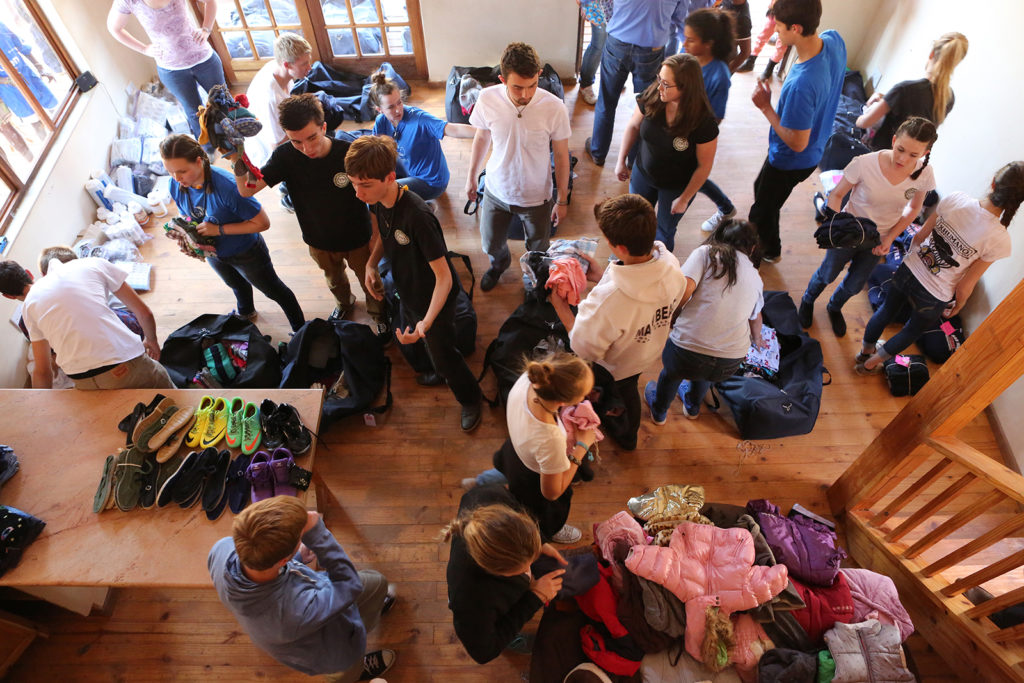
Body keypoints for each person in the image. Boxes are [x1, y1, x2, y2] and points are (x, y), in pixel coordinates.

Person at [346, 135, 484, 432]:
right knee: (430, 351)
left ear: (390, 177)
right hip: (409, 291)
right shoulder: (380, 199)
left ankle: (471, 398)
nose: (358, 193)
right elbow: (385, 234)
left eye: (365, 185)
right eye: (354, 183)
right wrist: (371, 264)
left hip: (435, 300)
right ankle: (438, 367)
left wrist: (427, 322)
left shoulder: (418, 216)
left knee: (446, 356)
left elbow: (445, 277)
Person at [856, 162, 1023, 375]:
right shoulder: (1001, 240)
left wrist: (912, 261)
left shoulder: (956, 199)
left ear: (993, 183)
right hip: (935, 295)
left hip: (909, 269)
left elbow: (919, 236)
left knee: (886, 311)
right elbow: (966, 284)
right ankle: (869, 365)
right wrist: (959, 305)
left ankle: (865, 351)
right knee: (911, 331)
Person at [208, 496, 397, 682]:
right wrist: (318, 535)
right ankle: (355, 672)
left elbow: (263, 569)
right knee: (345, 663)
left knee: (376, 584)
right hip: (325, 649)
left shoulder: (222, 549)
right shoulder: (296, 611)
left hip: (289, 616)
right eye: (302, 534)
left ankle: (363, 618)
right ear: (282, 560)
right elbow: (349, 585)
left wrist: (296, 558)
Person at [550, 194, 686, 450]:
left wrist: (560, 307)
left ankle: (627, 437)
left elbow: (582, 346)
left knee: (623, 391)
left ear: (620, 248)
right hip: (649, 349)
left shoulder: (607, 302)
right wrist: (604, 274)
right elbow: (642, 288)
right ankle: (623, 428)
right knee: (628, 384)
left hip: (617, 364)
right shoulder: (670, 263)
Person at [234, 94, 381, 329]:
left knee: (371, 282)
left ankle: (379, 314)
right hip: (318, 239)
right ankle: (345, 304)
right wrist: (236, 155)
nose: (306, 148)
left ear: (324, 127)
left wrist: (375, 236)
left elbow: (374, 198)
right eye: (296, 141)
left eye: (312, 137)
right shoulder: (284, 157)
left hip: (358, 237)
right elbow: (247, 190)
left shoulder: (349, 153)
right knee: (335, 281)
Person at [798, 117, 937, 337]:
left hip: (879, 239)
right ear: (893, 140)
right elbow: (837, 194)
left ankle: (834, 307)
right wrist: (834, 224)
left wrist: (890, 238)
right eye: (900, 149)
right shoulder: (864, 163)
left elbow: (913, 209)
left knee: (854, 285)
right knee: (827, 274)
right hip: (849, 231)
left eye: (913, 154)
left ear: (925, 152)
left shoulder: (925, 173)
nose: (903, 158)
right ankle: (808, 299)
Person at [160, 134, 305, 332]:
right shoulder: (176, 185)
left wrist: (218, 230)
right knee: (235, 284)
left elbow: (263, 223)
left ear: (199, 161)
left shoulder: (228, 187)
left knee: (274, 290)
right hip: (215, 252)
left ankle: (301, 329)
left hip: (246, 252)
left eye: (182, 171)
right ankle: (246, 313)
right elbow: (188, 216)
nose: (177, 179)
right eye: (170, 172)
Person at [465, 42, 571, 292]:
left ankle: (533, 280)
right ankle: (499, 265)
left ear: (539, 76)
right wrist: (471, 177)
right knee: (490, 243)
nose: (526, 94)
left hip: (537, 196)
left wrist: (563, 199)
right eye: (517, 87)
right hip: (496, 189)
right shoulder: (487, 98)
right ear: (502, 79)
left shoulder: (554, 107)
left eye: (532, 85)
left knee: (538, 248)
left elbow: (562, 154)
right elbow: (482, 137)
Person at [747, 0, 846, 264]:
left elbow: (797, 142)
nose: (776, 33)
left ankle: (768, 251)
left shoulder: (804, 84)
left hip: (792, 159)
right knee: (763, 192)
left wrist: (766, 107)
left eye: (779, 28)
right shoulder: (833, 39)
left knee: (763, 209)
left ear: (796, 28)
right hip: (816, 148)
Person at [644, 219, 765, 423]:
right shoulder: (756, 276)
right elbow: (756, 318)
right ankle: (692, 408)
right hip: (730, 360)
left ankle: (659, 411)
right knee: (706, 375)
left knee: (672, 374)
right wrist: (757, 340)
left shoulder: (707, 253)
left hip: (687, 351)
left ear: (718, 237)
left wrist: (673, 317)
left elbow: (684, 288)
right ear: (752, 248)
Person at [0, 249, 173, 390]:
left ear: (7, 296)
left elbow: (42, 371)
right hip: (121, 363)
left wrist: (42, 409)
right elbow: (144, 313)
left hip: (82, 381)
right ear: (29, 273)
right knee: (167, 391)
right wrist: (152, 341)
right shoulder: (93, 263)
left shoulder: (28, 307)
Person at [444, 484, 567, 663]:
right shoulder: (471, 598)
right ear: (495, 571)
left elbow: (515, 507)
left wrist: (539, 542)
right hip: (484, 614)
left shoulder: (488, 495)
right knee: (498, 632)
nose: (529, 571)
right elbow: (483, 652)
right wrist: (536, 597)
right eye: (524, 569)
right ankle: (510, 641)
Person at [613, 53, 719, 253]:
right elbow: (633, 127)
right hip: (643, 173)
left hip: (676, 186)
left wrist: (685, 198)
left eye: (666, 84)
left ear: (685, 87)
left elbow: (704, 166)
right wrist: (621, 160)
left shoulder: (703, 123)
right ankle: (629, 258)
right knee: (632, 221)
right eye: (659, 79)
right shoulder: (654, 95)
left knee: (664, 230)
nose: (659, 86)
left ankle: (659, 268)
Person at [492, 351, 595, 544]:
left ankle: (485, 481)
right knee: (541, 514)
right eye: (583, 395)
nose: (585, 398)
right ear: (563, 401)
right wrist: (582, 445)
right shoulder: (551, 439)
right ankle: (552, 531)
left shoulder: (529, 378)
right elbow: (552, 492)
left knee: (507, 474)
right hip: (532, 477)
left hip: (514, 450)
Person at [585, 0, 688, 167]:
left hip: (617, 41)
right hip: (651, 47)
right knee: (646, 106)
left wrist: (586, 5)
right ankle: (635, 160)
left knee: (607, 101)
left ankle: (598, 152)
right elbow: (680, 19)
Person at [107, 0, 224, 141]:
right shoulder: (129, 1)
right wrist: (144, 49)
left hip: (204, 60)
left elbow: (210, 2)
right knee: (194, 112)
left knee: (222, 101)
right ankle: (207, 147)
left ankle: (232, 139)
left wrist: (206, 29)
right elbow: (114, 28)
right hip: (172, 70)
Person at [368, 70, 475, 201]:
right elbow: (376, 153)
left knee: (385, 191)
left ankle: (424, 205)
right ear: (380, 109)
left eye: (399, 102)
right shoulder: (381, 122)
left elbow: (454, 130)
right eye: (390, 107)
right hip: (407, 171)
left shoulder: (420, 120)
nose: (398, 110)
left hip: (431, 183)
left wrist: (485, 132)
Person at [856, 32, 968, 151]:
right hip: (905, 164)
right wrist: (887, 99)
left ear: (932, 54)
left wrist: (864, 112)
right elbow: (918, 108)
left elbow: (864, 123)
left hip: (879, 156)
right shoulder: (949, 98)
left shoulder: (904, 89)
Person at [681, 8, 739, 234]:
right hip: (678, 128)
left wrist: (696, 137)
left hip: (696, 135)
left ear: (709, 43)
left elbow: (717, 117)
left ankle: (725, 207)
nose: (684, 44)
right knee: (688, 172)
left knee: (694, 173)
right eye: (684, 38)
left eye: (690, 40)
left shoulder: (719, 75)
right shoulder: (688, 58)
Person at [246, 33, 314, 169]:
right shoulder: (271, 98)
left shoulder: (276, 67)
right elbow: (277, 144)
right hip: (267, 153)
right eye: (304, 64)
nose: (310, 67)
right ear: (287, 65)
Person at [736, 0, 786, 79]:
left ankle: (770, 66)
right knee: (762, 36)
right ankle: (751, 60)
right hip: (775, 12)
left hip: (788, 19)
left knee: (782, 45)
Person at [576, 0, 612, 105]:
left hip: (618, 5)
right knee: (598, 45)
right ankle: (585, 84)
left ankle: (612, 79)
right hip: (596, 5)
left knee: (614, 40)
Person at [720, 0, 752, 72]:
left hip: (725, 58)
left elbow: (746, 52)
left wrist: (727, 70)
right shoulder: (729, 2)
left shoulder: (742, 19)